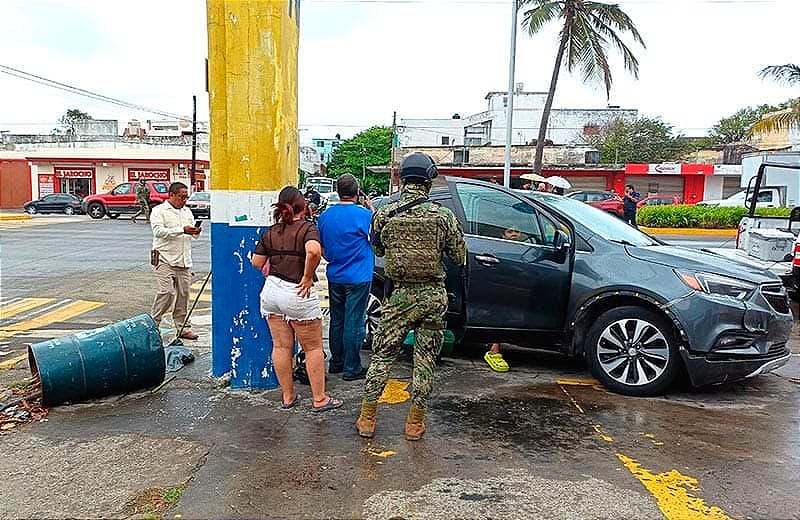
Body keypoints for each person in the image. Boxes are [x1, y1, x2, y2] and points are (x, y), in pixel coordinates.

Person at [356, 152, 466, 441]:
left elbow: (378, 250)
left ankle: (367, 419)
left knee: (382, 357)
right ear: (428, 180)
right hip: (432, 297)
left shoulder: (384, 214)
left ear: (402, 179)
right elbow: (459, 256)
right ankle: (415, 424)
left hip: (399, 298)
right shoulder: (443, 216)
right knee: (425, 360)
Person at [251, 186, 342, 412]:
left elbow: (256, 262)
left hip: (271, 292)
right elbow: (314, 252)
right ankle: (319, 399)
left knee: (281, 346)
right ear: (303, 206)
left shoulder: (271, 231)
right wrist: (307, 277)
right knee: (313, 348)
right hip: (297, 292)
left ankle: (288, 396)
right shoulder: (307, 228)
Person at [317, 174, 374, 381]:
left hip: (335, 274)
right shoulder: (365, 215)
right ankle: (352, 367)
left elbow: (322, 248)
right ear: (357, 192)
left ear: (338, 192)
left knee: (337, 319)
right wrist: (371, 209)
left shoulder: (325, 216)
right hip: (358, 276)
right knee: (354, 321)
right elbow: (377, 238)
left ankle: (337, 362)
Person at [149, 182, 201, 340]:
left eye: (186, 197)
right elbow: (158, 232)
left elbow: (193, 235)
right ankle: (153, 325)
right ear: (171, 195)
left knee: (183, 294)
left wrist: (195, 231)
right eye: (181, 197)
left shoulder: (187, 212)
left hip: (183, 259)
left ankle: (182, 327)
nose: (184, 200)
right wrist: (181, 230)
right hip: (164, 258)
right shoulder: (159, 211)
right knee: (167, 292)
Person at [483, 226, 521, 373]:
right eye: (510, 231)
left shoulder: (524, 250)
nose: (514, 234)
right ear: (503, 235)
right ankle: (494, 349)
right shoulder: (499, 249)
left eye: (517, 231)